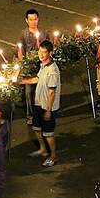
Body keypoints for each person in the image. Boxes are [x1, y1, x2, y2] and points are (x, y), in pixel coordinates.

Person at [21, 39, 60, 168]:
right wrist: (22, 81)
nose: (41, 55)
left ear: (50, 53)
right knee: (37, 129)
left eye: (44, 53)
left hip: (47, 107)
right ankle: (43, 149)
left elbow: (52, 92)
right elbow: (36, 79)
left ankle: (53, 156)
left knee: (48, 133)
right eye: (40, 51)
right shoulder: (43, 65)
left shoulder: (53, 71)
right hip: (39, 104)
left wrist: (48, 110)